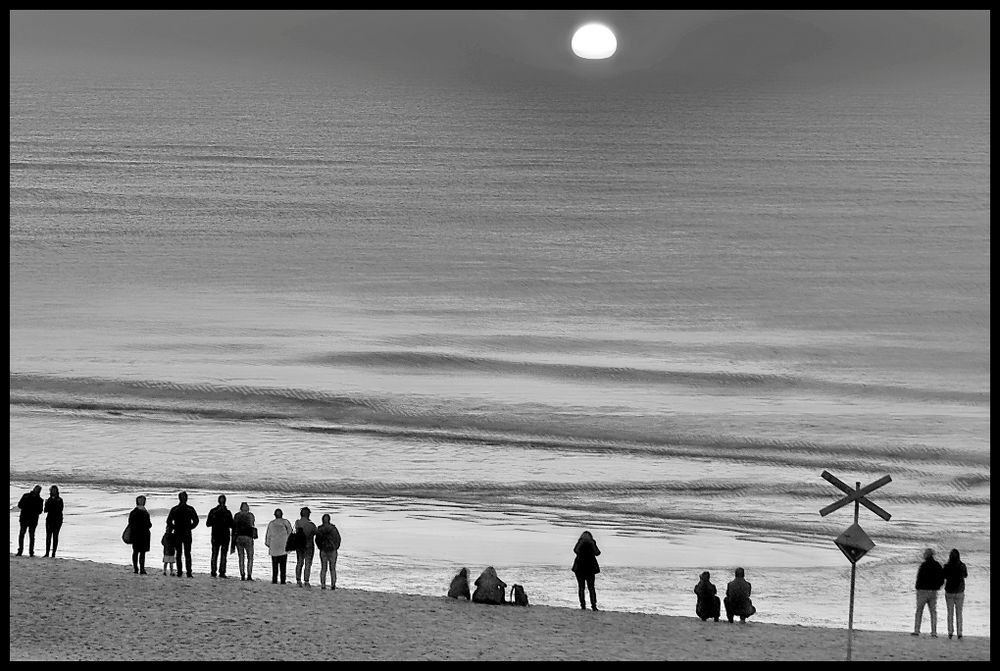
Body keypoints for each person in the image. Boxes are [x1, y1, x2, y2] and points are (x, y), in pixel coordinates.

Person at [166, 491, 199, 578]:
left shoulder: (175, 509)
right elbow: (196, 521)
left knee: (179, 553)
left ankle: (180, 572)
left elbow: (169, 521)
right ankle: (188, 572)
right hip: (186, 533)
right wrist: (190, 527)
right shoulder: (190, 509)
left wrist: (174, 527)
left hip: (179, 532)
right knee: (187, 553)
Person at [912, 547, 944, 637]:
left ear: (926, 555)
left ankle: (917, 630)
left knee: (919, 611)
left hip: (922, 590)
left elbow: (919, 578)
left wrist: (917, 588)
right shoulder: (937, 565)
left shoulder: (923, 565)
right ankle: (934, 632)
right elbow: (942, 578)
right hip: (933, 591)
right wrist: (938, 587)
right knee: (933, 612)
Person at [206, 494, 234, 579]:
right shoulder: (227, 512)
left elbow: (208, 523)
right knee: (223, 555)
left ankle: (213, 572)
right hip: (224, 536)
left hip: (216, 535)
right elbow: (232, 525)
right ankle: (221, 572)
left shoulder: (213, 511)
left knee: (215, 554)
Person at [572, 530, 601, 611]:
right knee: (591, 588)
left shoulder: (580, 542)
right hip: (590, 568)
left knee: (581, 587)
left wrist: (581, 544)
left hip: (579, 568)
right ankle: (593, 606)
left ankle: (583, 605)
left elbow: (575, 551)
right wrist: (592, 544)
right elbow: (597, 553)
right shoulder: (592, 542)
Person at [941, 548, 967, 640]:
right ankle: (959, 632)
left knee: (950, 613)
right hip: (959, 591)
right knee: (959, 613)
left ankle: (950, 632)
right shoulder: (962, 565)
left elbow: (943, 576)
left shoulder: (947, 566)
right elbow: (965, 575)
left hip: (949, 591)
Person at [265, 508, 293, 585]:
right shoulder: (285, 522)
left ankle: (274, 580)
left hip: (274, 546)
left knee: (274, 565)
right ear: (282, 514)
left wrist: (268, 544)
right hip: (283, 546)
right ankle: (283, 581)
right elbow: (290, 533)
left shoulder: (271, 523)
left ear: (275, 515)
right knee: (283, 566)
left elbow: (268, 535)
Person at [315, 513, 342, 590]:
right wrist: (336, 547)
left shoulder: (320, 529)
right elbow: (338, 539)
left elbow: (317, 540)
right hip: (332, 550)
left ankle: (323, 585)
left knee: (323, 568)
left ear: (322, 520)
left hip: (323, 550)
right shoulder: (333, 529)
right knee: (332, 568)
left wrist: (320, 547)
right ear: (329, 520)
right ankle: (333, 585)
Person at [232, 502, 257, 581]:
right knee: (250, 557)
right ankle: (249, 575)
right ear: (247, 508)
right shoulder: (250, 515)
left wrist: (233, 541)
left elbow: (234, 527)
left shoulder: (237, 515)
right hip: (248, 537)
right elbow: (252, 524)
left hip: (239, 537)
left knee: (241, 557)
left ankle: (242, 574)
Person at [16, 485, 44, 557]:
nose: (37, 491)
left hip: (32, 519)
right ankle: (20, 551)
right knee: (22, 534)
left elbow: (40, 511)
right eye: (36, 489)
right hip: (25, 518)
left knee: (31, 535)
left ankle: (31, 552)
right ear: (34, 489)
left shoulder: (40, 500)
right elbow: (20, 505)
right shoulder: (26, 496)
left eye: (38, 490)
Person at [128, 495, 153, 575]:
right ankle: (141, 569)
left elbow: (130, 523)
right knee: (141, 552)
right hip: (143, 534)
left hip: (136, 534)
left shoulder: (133, 512)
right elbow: (149, 524)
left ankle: (136, 568)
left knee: (136, 552)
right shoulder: (145, 512)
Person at [294, 507, 318, 587]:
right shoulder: (311, 525)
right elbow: (316, 533)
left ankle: (298, 580)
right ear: (308, 514)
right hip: (309, 545)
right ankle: (306, 581)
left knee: (299, 562)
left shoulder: (297, 523)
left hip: (299, 545)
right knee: (308, 563)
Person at [43, 485, 64, 558]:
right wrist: (47, 504)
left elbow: (60, 509)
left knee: (55, 536)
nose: (53, 491)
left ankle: (53, 553)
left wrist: (51, 504)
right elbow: (45, 510)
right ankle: (47, 553)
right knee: (48, 536)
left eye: (54, 490)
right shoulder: (49, 499)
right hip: (49, 519)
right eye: (52, 490)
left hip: (57, 520)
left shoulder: (60, 500)